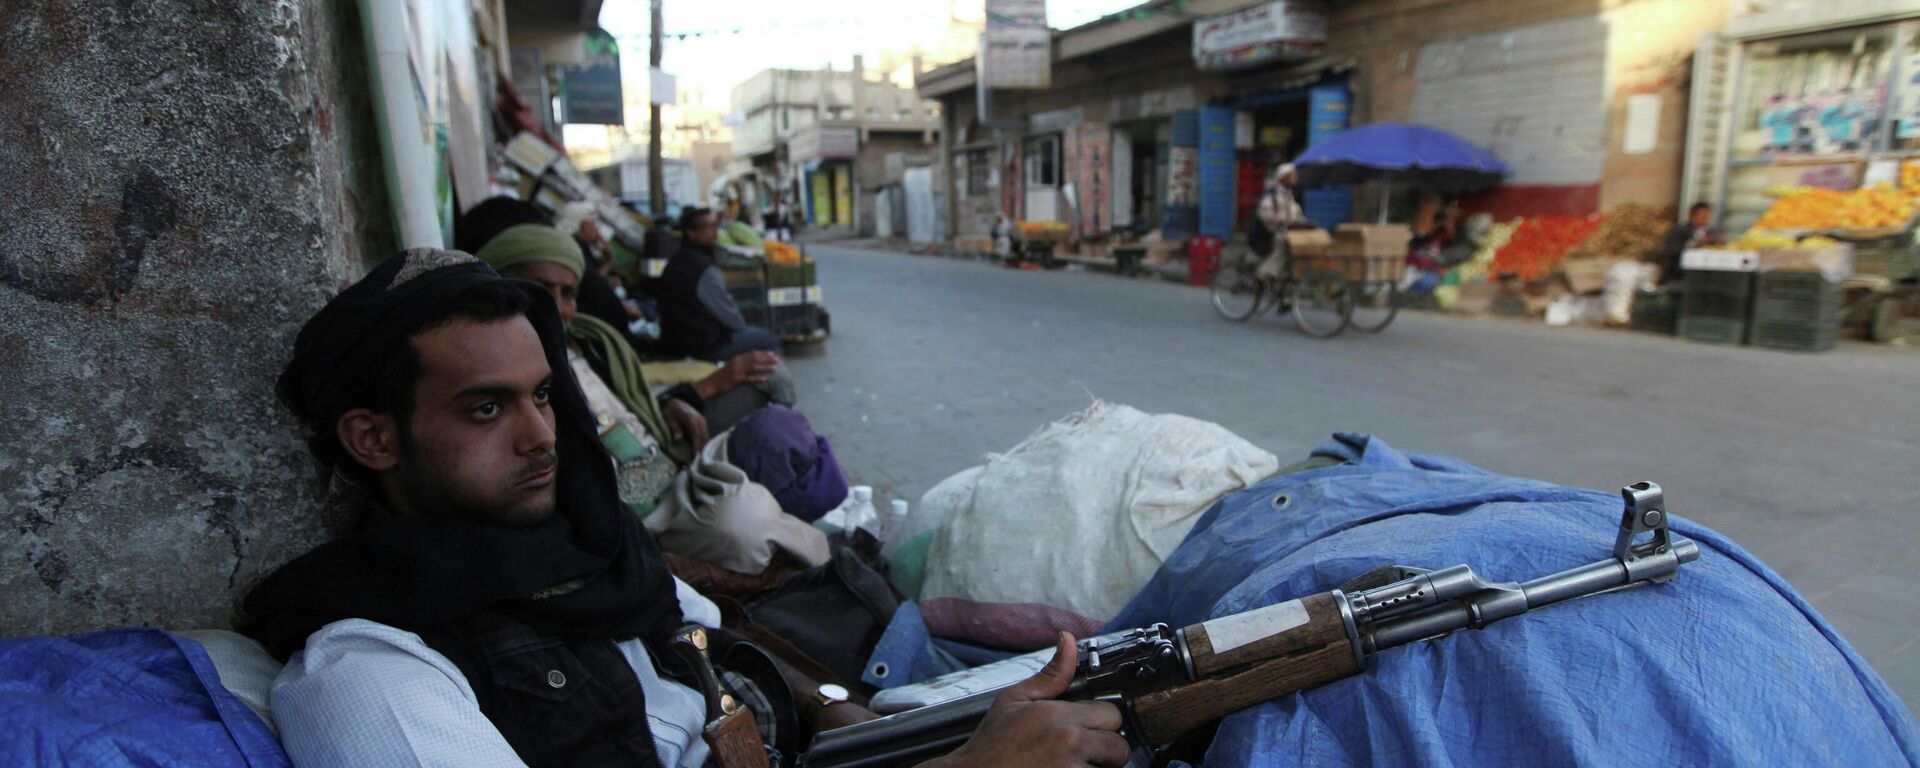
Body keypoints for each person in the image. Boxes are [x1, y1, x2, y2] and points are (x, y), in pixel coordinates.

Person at [243, 249, 1129, 767]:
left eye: (544, 397)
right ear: (374, 439)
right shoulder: (373, 674)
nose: (540, 435)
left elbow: (709, 640)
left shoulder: (593, 557)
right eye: (486, 407)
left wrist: (866, 723)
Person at [653, 206, 783, 361]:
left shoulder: (678, 259)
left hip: (679, 341)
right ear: (691, 232)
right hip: (702, 345)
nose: (714, 232)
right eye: (707, 227)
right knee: (768, 338)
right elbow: (730, 317)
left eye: (715, 226)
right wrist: (741, 328)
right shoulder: (702, 267)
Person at [1255, 162, 1305, 282]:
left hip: (1288, 230)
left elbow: (1295, 212)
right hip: (1273, 232)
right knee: (1283, 244)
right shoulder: (1272, 194)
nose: (1295, 177)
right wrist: (1280, 220)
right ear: (1284, 177)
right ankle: (1264, 272)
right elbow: (1264, 214)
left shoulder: (1289, 194)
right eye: (1292, 175)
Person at [1660, 202, 1722, 283]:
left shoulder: (1710, 232)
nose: (1705, 219)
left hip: (1703, 276)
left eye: (1707, 216)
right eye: (1702, 216)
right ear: (1692, 216)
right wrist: (1696, 244)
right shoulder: (1679, 231)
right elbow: (1672, 251)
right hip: (1679, 274)